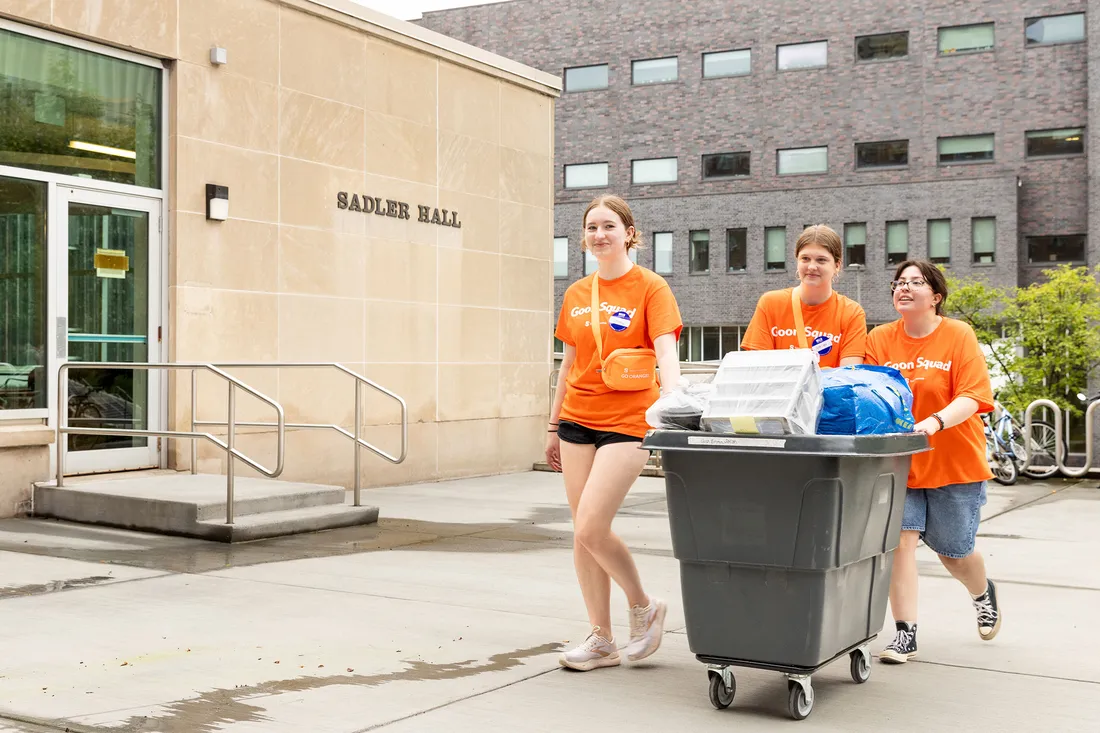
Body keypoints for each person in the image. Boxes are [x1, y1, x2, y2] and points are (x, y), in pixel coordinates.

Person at [546, 195, 683, 671]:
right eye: (591, 228)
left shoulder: (651, 287)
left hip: (628, 421)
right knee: (582, 536)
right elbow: (568, 363)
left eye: (608, 226)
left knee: (590, 525)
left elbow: (666, 351)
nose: (599, 235)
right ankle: (601, 639)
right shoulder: (576, 294)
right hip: (575, 419)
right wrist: (552, 422)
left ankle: (643, 606)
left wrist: (672, 401)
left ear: (629, 232)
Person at [865, 260, 1001, 664]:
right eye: (899, 283)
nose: (904, 288)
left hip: (953, 462)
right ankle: (905, 634)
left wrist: (935, 421)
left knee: (954, 553)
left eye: (915, 282)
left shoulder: (958, 335)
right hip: (902, 464)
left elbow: (973, 396)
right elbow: (871, 393)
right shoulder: (880, 339)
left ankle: (982, 592)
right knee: (900, 543)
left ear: (936, 296)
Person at [741, 225, 866, 368]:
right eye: (805, 258)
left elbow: (848, 377)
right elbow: (758, 369)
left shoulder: (852, 313)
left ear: (837, 265)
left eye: (821, 260)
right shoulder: (770, 304)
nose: (812, 266)